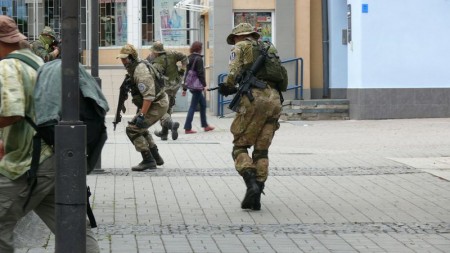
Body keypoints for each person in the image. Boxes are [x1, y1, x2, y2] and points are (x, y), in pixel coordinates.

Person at [0, 16, 99, 252]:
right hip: (57, 156)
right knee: (73, 227)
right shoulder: (37, 62)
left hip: (29, 163)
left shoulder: (7, 67)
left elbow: (12, 112)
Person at [218, 23, 282, 211]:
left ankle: (251, 184)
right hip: (275, 99)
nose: (234, 41)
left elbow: (233, 72)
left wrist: (228, 86)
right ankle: (256, 197)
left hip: (255, 99)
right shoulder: (269, 47)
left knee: (240, 146)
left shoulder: (240, 47)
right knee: (261, 151)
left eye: (234, 38)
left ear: (238, 36)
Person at [117, 43, 168, 171]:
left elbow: (148, 96)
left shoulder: (140, 71)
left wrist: (141, 114)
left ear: (132, 57)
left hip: (157, 104)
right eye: (121, 58)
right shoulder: (134, 67)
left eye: (124, 58)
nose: (123, 61)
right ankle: (156, 157)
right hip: (155, 102)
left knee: (132, 129)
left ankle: (148, 160)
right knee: (141, 128)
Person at [147, 41, 187, 140]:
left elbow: (154, 77)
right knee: (169, 106)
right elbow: (185, 57)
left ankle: (171, 124)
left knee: (160, 109)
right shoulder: (172, 53)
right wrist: (182, 70)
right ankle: (164, 133)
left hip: (165, 88)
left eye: (153, 51)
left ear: (156, 52)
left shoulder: (157, 62)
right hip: (175, 85)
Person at [181, 41, 215, 134]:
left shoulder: (189, 58)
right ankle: (187, 128)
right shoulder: (199, 59)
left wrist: (184, 88)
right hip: (197, 86)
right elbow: (200, 73)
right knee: (193, 106)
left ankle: (205, 125)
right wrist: (204, 85)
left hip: (191, 85)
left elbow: (187, 74)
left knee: (203, 104)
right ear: (199, 49)